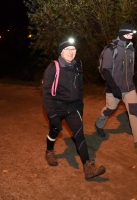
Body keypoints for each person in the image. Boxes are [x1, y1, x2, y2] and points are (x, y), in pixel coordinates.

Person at [42, 38, 106, 180]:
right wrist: (52, 115)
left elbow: (80, 88)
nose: (71, 52)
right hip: (57, 107)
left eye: (74, 49)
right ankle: (49, 151)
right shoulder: (53, 68)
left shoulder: (77, 65)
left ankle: (88, 167)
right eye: (68, 49)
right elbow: (46, 94)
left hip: (73, 107)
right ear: (61, 52)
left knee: (80, 135)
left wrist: (80, 108)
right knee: (54, 130)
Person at [94, 23, 137, 151]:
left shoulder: (131, 48)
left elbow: (130, 69)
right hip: (114, 88)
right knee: (110, 109)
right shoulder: (111, 49)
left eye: (132, 34)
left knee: (134, 112)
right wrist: (114, 88)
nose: (131, 36)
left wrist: (131, 81)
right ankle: (99, 124)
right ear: (122, 34)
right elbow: (105, 70)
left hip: (129, 88)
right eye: (129, 33)